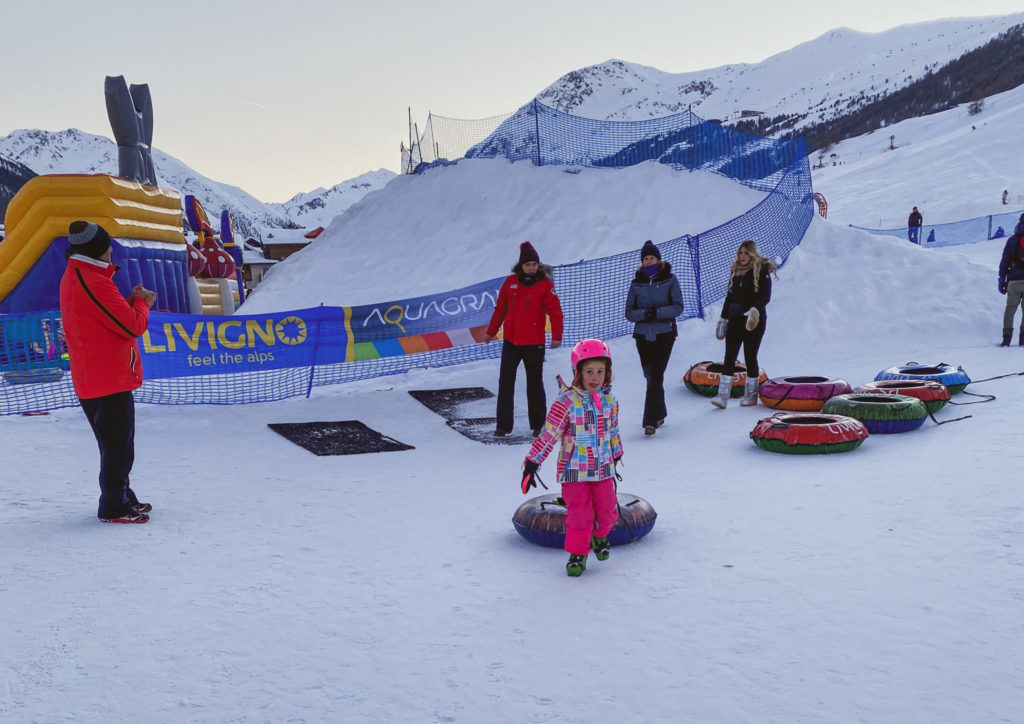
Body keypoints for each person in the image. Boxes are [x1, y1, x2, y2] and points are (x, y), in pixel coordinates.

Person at [59, 221, 156, 523]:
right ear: (96, 252)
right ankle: (113, 505)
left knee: (115, 444)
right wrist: (141, 303)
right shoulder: (92, 280)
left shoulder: (81, 275)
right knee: (118, 447)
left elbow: (103, 319)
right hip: (107, 378)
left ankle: (121, 495)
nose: (111, 255)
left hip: (98, 375)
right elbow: (134, 325)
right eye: (108, 250)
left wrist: (129, 303)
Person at [520, 339, 623, 577]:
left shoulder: (610, 402)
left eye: (600, 371)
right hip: (573, 471)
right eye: (589, 372)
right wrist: (532, 463)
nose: (595, 377)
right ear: (578, 372)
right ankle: (578, 553)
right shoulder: (566, 402)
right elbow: (549, 434)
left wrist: (616, 455)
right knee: (580, 515)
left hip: (603, 470)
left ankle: (598, 537)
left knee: (608, 512)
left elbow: (613, 432)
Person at [482, 241, 563, 437]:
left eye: (534, 264)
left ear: (538, 266)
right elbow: (500, 309)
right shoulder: (509, 283)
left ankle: (537, 424)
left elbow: (555, 312)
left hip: (534, 343)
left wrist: (557, 336)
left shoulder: (545, 285)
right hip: (511, 342)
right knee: (505, 383)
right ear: (521, 266)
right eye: (528, 265)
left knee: (535, 383)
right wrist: (491, 331)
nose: (531, 268)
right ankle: (503, 426)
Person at [624, 240, 683, 436]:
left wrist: (657, 313)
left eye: (652, 258)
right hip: (642, 335)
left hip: (664, 333)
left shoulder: (670, 279)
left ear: (658, 259)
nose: (649, 261)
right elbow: (629, 313)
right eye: (645, 258)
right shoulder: (636, 283)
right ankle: (660, 412)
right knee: (651, 376)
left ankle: (649, 421)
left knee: (655, 375)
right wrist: (644, 315)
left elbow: (678, 306)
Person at [712, 240, 777, 409]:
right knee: (729, 356)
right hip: (735, 318)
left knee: (750, 356)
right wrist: (723, 318)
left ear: (752, 254)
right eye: (740, 253)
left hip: (753, 320)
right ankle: (722, 395)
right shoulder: (735, 271)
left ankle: (751, 395)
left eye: (746, 253)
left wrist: (754, 310)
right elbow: (729, 296)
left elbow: (765, 296)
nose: (742, 256)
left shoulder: (761, 270)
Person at [998, 231, 1024, 346]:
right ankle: (1023, 338)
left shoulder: (1012, 240)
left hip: (1013, 279)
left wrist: (1001, 278)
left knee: (1010, 309)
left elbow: (1005, 260)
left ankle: (1007, 337)